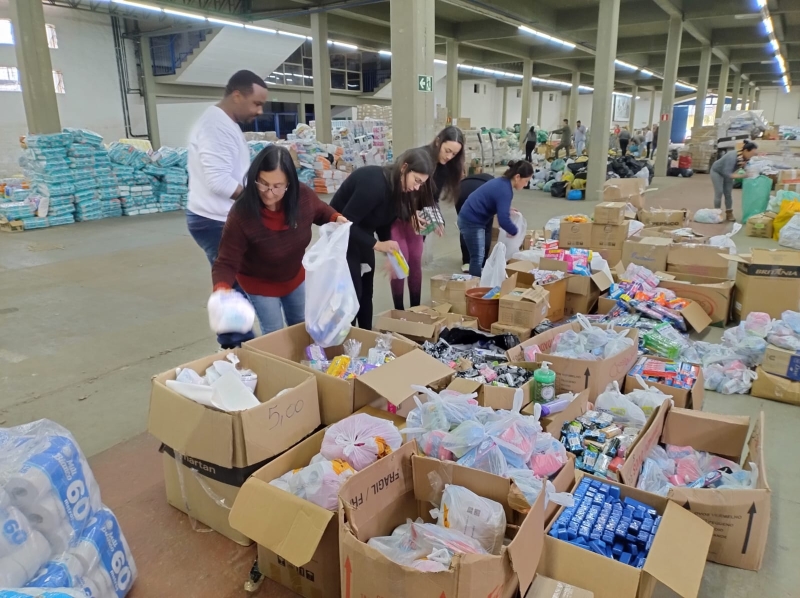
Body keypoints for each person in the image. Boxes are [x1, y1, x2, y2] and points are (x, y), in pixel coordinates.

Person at [211, 146, 347, 336]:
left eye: (277, 186)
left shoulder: (302, 196)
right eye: (263, 183)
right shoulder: (242, 213)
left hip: (295, 276)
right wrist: (222, 289)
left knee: (302, 324)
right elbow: (226, 261)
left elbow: (320, 210)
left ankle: (303, 363)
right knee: (274, 333)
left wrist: (335, 218)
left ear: (289, 183)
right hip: (260, 284)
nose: (269, 192)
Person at [330, 148, 436, 329]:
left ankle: (365, 334)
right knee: (352, 293)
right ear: (404, 168)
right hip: (341, 236)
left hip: (363, 233)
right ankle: (348, 339)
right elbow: (345, 224)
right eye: (416, 180)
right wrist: (377, 244)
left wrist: (390, 252)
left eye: (422, 184)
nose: (417, 187)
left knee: (366, 292)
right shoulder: (374, 184)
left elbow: (384, 220)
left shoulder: (399, 189)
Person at [186, 70, 268, 283]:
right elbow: (220, 182)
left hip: (219, 218)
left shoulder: (224, 123)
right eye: (256, 103)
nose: (260, 111)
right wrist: (261, 201)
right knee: (239, 287)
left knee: (237, 285)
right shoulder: (216, 127)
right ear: (237, 96)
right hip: (216, 221)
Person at [389, 128, 464, 310]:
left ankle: (416, 309)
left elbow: (433, 198)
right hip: (396, 214)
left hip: (418, 219)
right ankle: (398, 311)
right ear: (438, 141)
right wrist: (410, 214)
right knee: (400, 261)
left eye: (454, 154)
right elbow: (398, 192)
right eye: (447, 151)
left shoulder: (445, 168)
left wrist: (436, 218)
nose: (449, 157)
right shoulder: (418, 158)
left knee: (415, 259)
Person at [457, 160, 533, 277]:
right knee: (477, 257)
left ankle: (476, 283)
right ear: (518, 177)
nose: (526, 184)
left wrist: (506, 208)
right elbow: (503, 220)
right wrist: (513, 231)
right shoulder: (505, 190)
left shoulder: (502, 183)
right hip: (471, 220)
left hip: (470, 216)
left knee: (478, 255)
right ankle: (475, 286)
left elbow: (495, 200)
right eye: (526, 181)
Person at [455, 173, 494, 272]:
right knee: (486, 228)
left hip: (461, 189)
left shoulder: (470, 178)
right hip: (481, 190)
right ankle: (482, 262)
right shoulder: (498, 186)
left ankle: (467, 261)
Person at [710, 141, 758, 222]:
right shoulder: (732, 156)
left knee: (728, 193)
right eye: (751, 154)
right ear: (746, 151)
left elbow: (745, 167)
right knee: (719, 192)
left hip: (729, 172)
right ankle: (717, 213)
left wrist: (751, 173)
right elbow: (727, 173)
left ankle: (729, 213)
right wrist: (743, 176)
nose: (752, 156)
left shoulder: (745, 157)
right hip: (717, 171)